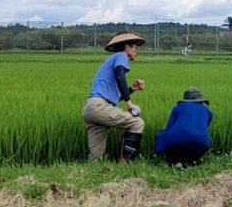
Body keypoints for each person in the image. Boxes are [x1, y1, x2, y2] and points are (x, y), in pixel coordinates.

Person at [82, 32, 146, 163]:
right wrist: (130, 104)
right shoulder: (121, 56)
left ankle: (91, 172)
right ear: (126, 47)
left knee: (95, 160)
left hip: (91, 109)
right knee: (137, 123)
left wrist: (132, 89)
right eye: (135, 47)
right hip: (100, 107)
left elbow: (114, 97)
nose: (137, 50)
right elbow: (120, 75)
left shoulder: (112, 60)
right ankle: (124, 164)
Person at [154, 87, 213, 167]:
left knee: (162, 134)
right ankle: (190, 160)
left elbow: (169, 127)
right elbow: (204, 127)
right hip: (202, 144)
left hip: (177, 141)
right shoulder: (208, 111)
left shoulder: (177, 108)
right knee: (201, 138)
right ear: (201, 100)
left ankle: (174, 160)